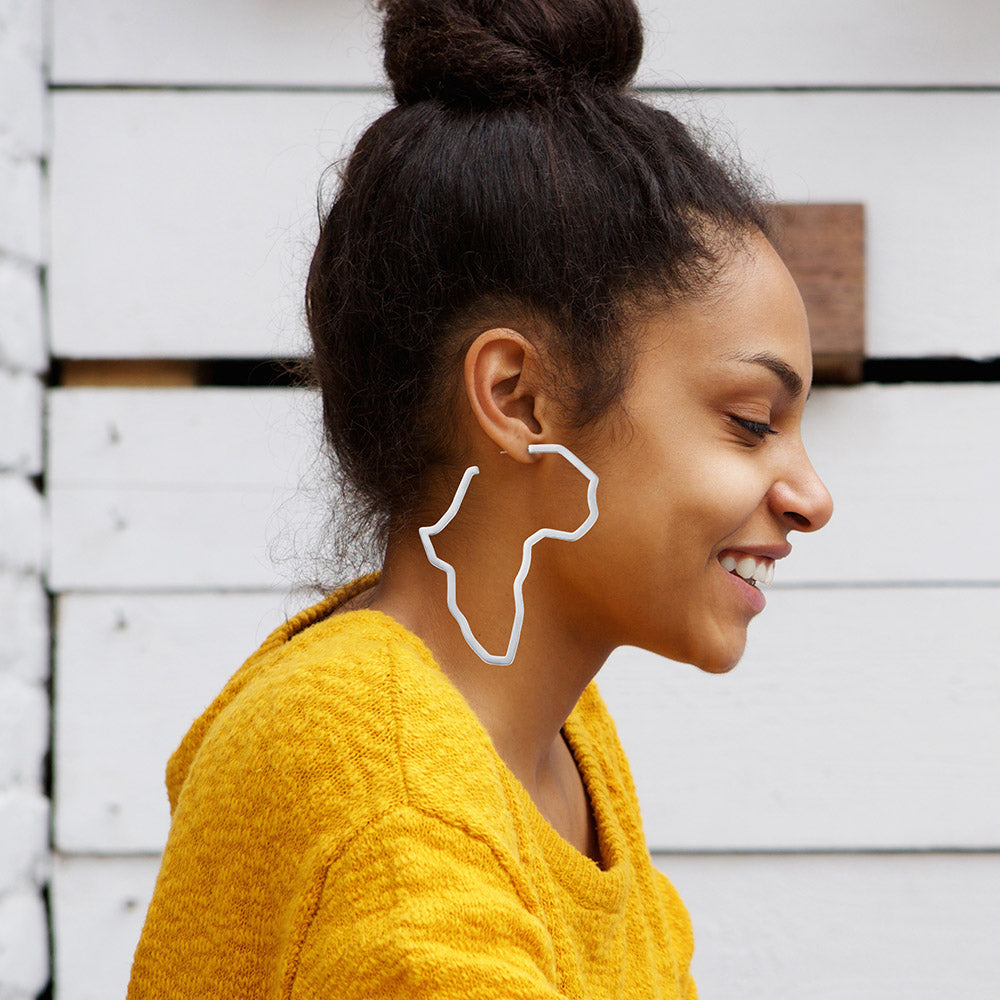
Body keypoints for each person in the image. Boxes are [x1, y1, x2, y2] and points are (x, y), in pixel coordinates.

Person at [127, 0, 833, 996]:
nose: (810, 496)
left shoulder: (552, 735)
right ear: (519, 398)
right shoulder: (396, 788)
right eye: (750, 421)